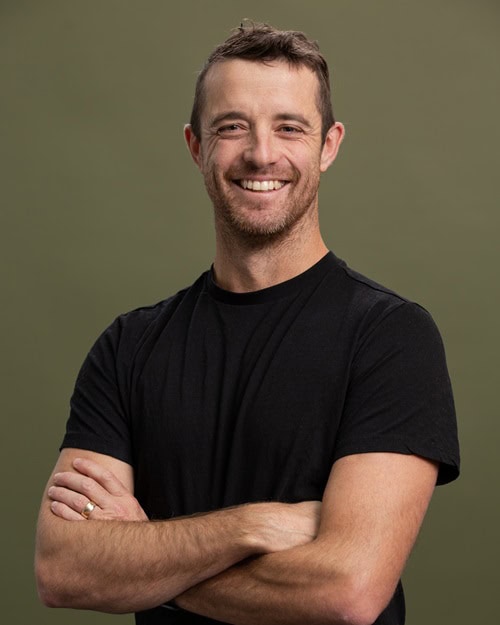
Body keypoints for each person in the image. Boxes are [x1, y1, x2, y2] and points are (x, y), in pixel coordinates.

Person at [35, 22, 460, 625]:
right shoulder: (127, 347)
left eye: (290, 127)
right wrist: (254, 525)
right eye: (232, 127)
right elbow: (63, 569)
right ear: (195, 146)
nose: (262, 153)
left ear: (329, 145)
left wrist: (144, 559)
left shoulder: (391, 337)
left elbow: (349, 592)